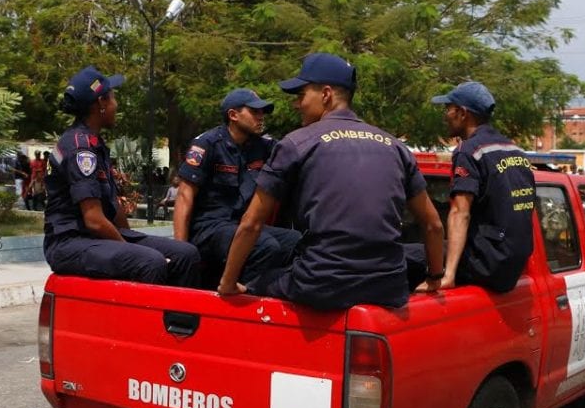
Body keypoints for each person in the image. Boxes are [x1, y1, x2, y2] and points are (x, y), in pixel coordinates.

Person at [218, 52, 445, 309]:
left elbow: (251, 224)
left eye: (301, 95)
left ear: (326, 94)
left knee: (256, 282)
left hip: (322, 284)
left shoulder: (296, 143)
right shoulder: (395, 147)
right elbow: (433, 224)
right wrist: (435, 278)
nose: (296, 104)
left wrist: (228, 283)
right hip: (388, 286)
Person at [43, 65, 200, 286]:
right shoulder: (81, 149)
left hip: (93, 239)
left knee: (186, 254)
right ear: (101, 103)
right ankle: (147, 321)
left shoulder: (94, 143)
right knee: (151, 262)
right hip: (70, 242)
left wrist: (131, 238)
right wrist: (132, 249)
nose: (116, 105)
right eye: (113, 98)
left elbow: (112, 205)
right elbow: (94, 220)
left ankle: (179, 318)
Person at [174, 88, 300, 284]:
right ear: (233, 115)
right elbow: (184, 195)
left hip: (241, 227)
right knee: (265, 246)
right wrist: (181, 250)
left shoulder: (263, 146)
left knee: (295, 241)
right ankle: (240, 304)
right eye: (254, 112)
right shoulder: (207, 144)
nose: (261, 117)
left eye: (262, 112)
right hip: (209, 228)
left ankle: (267, 294)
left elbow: (295, 157)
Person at [425, 80, 536, 292]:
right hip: (512, 265)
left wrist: (447, 275)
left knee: (405, 255)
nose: (445, 115)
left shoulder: (469, 151)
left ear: (462, 113)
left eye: (448, 109)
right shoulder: (514, 151)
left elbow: (460, 213)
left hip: (485, 265)